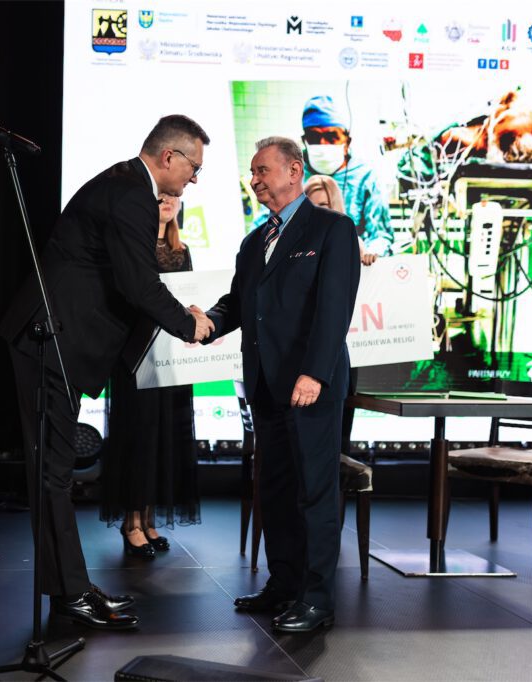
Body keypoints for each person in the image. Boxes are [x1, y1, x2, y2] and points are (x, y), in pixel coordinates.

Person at [0, 115, 213, 630]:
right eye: (194, 168)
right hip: (50, 338)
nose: (194, 179)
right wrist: (189, 323)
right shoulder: (132, 194)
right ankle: (70, 594)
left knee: (53, 473)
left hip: (60, 339)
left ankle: (69, 589)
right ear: (169, 157)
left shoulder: (125, 184)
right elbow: (138, 284)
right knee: (51, 475)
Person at [204, 137, 360, 633]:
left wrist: (314, 373)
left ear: (294, 171)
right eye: (252, 172)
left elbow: (334, 309)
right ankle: (284, 584)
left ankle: (317, 599)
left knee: (315, 492)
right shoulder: (254, 242)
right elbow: (238, 304)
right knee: (274, 491)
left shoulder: (333, 229)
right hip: (266, 387)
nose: (254, 180)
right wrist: (206, 321)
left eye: (262, 170)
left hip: (310, 386)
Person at [100, 193, 200, 559]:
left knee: (164, 438)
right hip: (137, 354)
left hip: (171, 356)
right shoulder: (133, 246)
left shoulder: (182, 251)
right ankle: (131, 523)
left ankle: (150, 519)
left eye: (175, 197)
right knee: (137, 438)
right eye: (162, 197)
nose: (169, 202)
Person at [305, 174, 377, 454]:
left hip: (340, 353)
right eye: (313, 205)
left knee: (337, 436)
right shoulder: (298, 241)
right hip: (305, 352)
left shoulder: (349, 240)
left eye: (324, 205)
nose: (319, 211)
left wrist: (368, 258)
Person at [301, 95, 393, 258]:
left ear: (347, 142)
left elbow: (380, 234)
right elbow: (266, 229)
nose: (323, 144)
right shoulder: (290, 176)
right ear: (304, 140)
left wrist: (368, 255)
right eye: (314, 137)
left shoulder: (364, 176)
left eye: (331, 137)